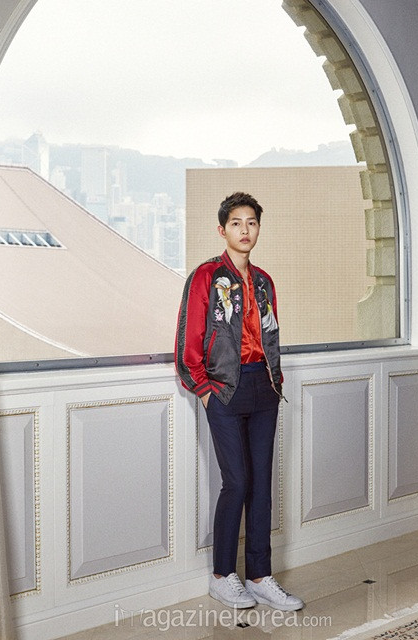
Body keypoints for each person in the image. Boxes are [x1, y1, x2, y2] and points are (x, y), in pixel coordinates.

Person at [175, 192, 304, 611]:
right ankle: (221, 575)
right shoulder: (206, 276)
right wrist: (204, 390)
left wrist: (275, 380)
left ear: (258, 228)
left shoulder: (264, 281)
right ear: (222, 230)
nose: (245, 230)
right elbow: (188, 340)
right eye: (236, 223)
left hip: (264, 388)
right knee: (237, 482)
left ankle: (260, 576)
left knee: (262, 484)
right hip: (224, 390)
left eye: (251, 223)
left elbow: (272, 334)